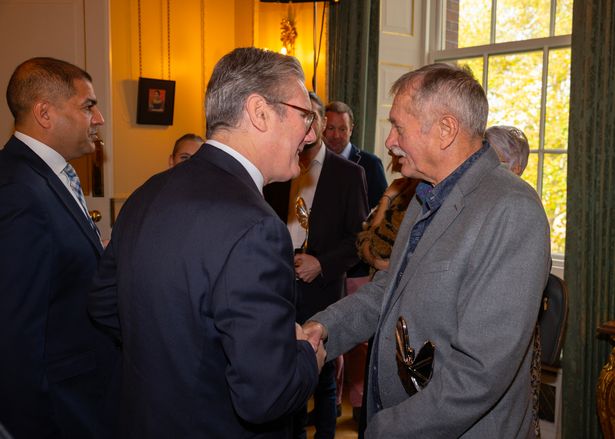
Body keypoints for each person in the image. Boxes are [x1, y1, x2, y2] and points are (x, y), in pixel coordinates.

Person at [304, 63, 552, 438]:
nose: (389, 141)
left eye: (398, 127)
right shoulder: (425, 195)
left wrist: (383, 429)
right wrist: (323, 328)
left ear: (446, 130)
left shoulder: (512, 210)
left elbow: (479, 372)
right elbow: (387, 291)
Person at [88, 47, 324, 438]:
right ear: (260, 112)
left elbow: (103, 304)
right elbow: (267, 394)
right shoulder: (256, 226)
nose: (312, 134)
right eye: (305, 116)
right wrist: (306, 357)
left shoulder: (148, 192)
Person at [0, 57, 119, 438]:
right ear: (45, 113)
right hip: (58, 408)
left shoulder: (47, 175)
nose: (98, 118)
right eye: (88, 106)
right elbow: (15, 330)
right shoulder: (18, 189)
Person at [264, 92, 368, 439]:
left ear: (320, 123)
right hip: (278, 283)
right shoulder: (279, 166)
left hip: (322, 289)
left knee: (322, 378)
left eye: (313, 118)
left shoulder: (349, 174)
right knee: (283, 374)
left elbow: (358, 241)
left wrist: (320, 263)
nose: (307, 126)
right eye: (301, 117)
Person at [323, 101, 387, 210]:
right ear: (322, 127)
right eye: (331, 128)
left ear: (351, 130)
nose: (336, 136)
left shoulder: (371, 164)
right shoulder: (314, 162)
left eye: (342, 129)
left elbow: (382, 209)